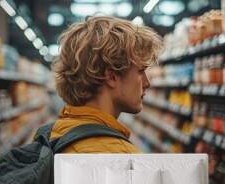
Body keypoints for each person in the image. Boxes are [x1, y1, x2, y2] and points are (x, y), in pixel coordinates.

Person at [49, 16, 163, 153]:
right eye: (140, 71)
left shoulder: (57, 132)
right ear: (111, 76)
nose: (147, 83)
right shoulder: (120, 157)